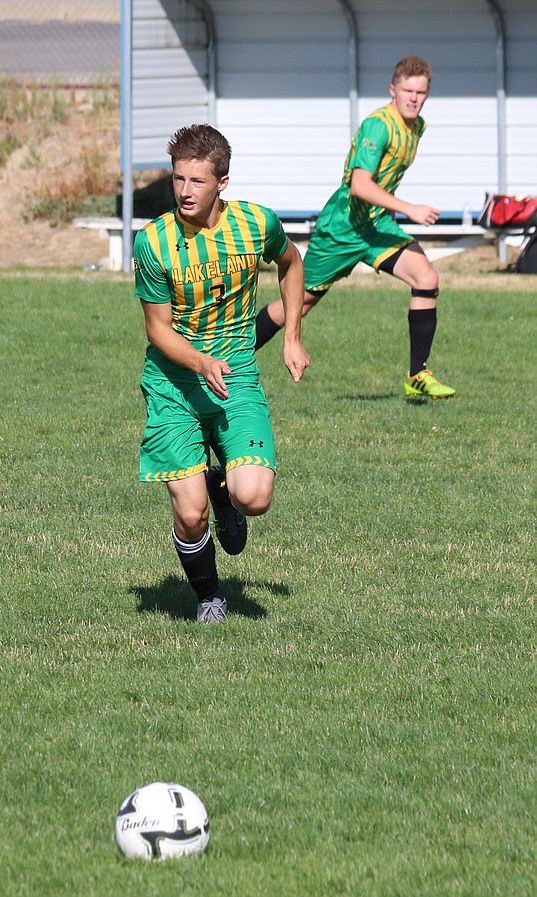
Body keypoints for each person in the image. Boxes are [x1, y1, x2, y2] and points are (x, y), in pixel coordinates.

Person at [134, 124, 310, 624]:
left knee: (253, 497)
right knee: (191, 515)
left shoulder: (257, 225)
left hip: (235, 380)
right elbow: (158, 331)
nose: (185, 192)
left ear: (223, 183)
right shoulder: (154, 242)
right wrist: (200, 361)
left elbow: (291, 263)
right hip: (174, 386)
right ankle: (209, 594)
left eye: (196, 181)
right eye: (177, 180)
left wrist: (292, 335)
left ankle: (224, 489)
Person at [254, 55, 453, 400]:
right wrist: (410, 209)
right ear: (393, 89)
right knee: (297, 306)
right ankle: (228, 356)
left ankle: (417, 373)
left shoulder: (417, 126)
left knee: (427, 279)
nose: (414, 98)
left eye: (421, 92)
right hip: (343, 228)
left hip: (375, 226)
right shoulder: (379, 125)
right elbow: (360, 185)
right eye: (407, 90)